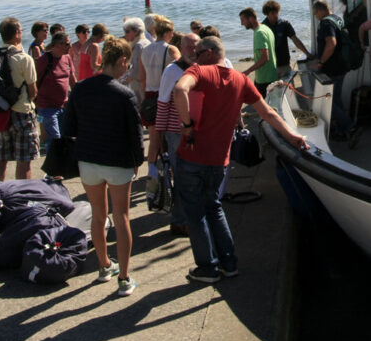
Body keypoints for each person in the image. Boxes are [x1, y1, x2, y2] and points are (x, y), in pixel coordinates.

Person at [172, 36, 308, 283]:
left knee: (195, 213)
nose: (195, 56)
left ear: (210, 52)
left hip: (192, 156)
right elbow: (267, 112)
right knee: (213, 206)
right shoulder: (241, 80)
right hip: (219, 160)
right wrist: (292, 136)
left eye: (199, 52)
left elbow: (180, 89)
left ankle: (207, 268)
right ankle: (229, 263)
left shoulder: (199, 72)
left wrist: (187, 125)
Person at [61, 36, 144, 297]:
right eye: (127, 65)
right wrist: (138, 161)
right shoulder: (124, 94)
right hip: (118, 161)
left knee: (98, 214)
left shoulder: (81, 88)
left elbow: (68, 127)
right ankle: (124, 277)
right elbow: (135, 134)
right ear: (120, 61)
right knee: (122, 217)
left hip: (88, 159)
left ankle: (104, 265)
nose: (127, 69)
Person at [153, 31, 200, 236]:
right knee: (181, 177)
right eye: (188, 46)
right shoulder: (172, 71)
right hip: (175, 133)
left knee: (193, 177)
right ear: (180, 48)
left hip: (196, 132)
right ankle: (179, 220)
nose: (193, 50)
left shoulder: (200, 68)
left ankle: (188, 217)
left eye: (196, 46)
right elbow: (162, 103)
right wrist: (159, 138)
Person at [0, 17, 40, 182]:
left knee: (0, 157)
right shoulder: (24, 58)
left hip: (1, 112)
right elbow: (33, 91)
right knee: (24, 160)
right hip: (22, 112)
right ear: (17, 34)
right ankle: (21, 195)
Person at [309, 0, 351, 140]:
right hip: (342, 66)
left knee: (329, 102)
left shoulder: (326, 22)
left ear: (321, 10)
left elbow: (331, 43)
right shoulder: (337, 19)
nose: (316, 17)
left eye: (316, 14)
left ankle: (350, 126)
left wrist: (321, 62)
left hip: (332, 68)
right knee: (336, 98)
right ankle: (342, 130)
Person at [35, 32, 75, 148]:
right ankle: (53, 164)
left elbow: (72, 80)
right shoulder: (43, 60)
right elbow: (32, 80)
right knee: (54, 139)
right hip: (47, 107)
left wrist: (77, 98)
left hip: (64, 105)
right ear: (57, 45)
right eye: (67, 44)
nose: (70, 46)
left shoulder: (67, 58)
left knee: (65, 137)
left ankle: (61, 165)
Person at [261, 0, 311, 77]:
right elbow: (262, 49)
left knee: (288, 87)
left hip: (285, 64)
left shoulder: (284, 24)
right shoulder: (263, 27)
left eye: (277, 12)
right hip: (270, 67)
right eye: (273, 13)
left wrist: (307, 53)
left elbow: (295, 40)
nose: (276, 15)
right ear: (267, 14)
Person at [240, 7, 278, 96]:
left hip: (265, 79)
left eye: (243, 20)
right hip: (271, 75)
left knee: (265, 108)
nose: (242, 23)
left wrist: (248, 71)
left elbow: (265, 57)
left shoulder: (259, 33)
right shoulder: (265, 28)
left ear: (251, 18)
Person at [121, 17, 150, 98]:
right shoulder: (147, 42)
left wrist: (122, 82)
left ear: (136, 31)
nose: (125, 34)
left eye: (127, 31)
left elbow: (136, 71)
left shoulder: (138, 46)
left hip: (139, 85)